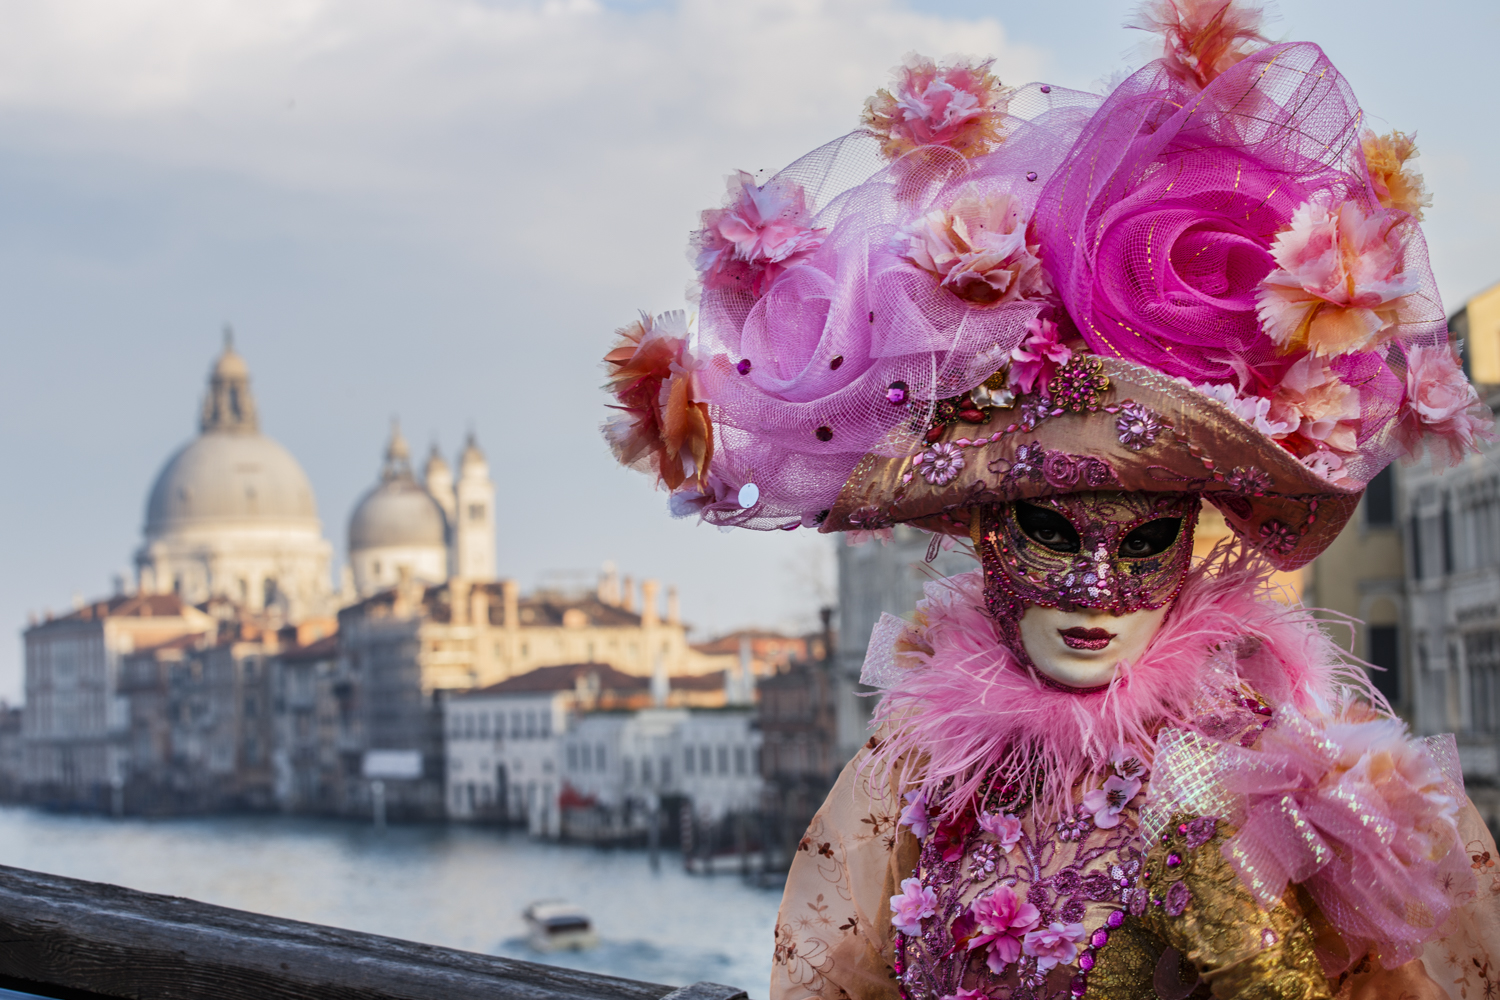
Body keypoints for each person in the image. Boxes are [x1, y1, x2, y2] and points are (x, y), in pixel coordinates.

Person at [600, 2, 1500, 996]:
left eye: (1144, 539)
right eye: (1049, 530)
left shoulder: (1260, 762)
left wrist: (1243, 932)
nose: (1097, 584)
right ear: (986, 527)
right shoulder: (919, 766)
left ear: (1193, 535)